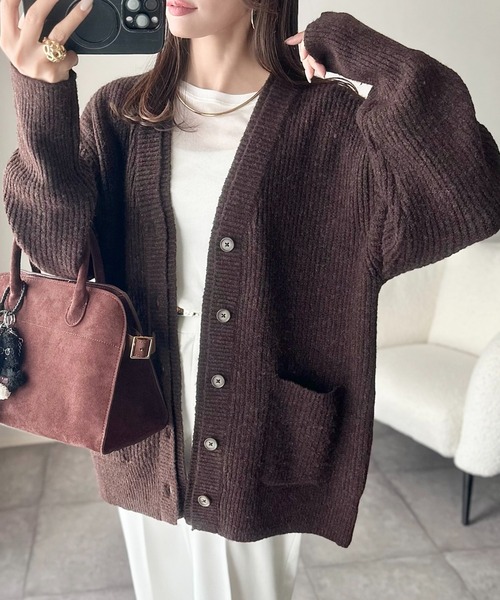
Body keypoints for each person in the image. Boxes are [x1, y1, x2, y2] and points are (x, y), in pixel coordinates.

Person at [1, 0, 500, 598]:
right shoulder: (121, 112)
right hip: (139, 415)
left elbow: (472, 194)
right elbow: (58, 253)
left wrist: (356, 47)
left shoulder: (336, 123)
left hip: (258, 426)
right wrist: (41, 99)